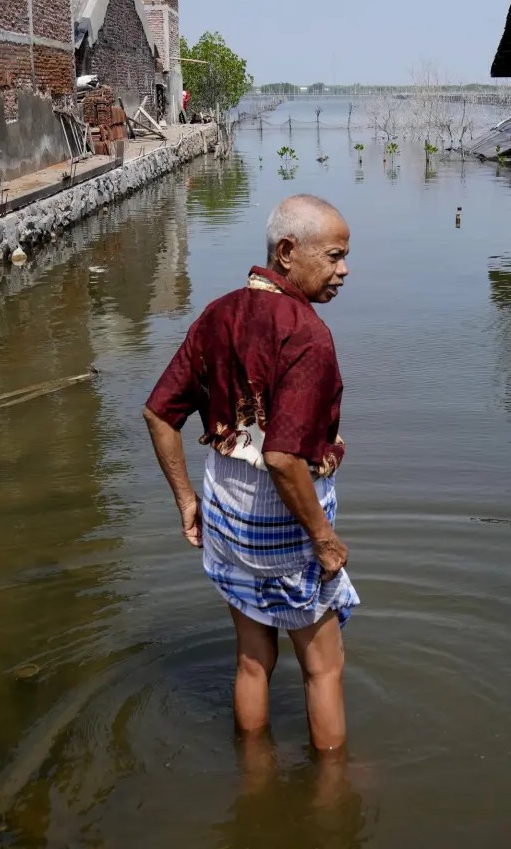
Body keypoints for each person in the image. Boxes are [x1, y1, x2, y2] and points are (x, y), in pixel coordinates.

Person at [143, 194, 356, 752]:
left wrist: (186, 500)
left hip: (226, 512)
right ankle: (334, 798)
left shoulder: (220, 313)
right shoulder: (306, 334)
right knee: (324, 667)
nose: (344, 270)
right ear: (287, 252)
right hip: (283, 522)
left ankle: (255, 784)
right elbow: (284, 459)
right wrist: (325, 541)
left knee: (253, 659)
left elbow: (158, 413)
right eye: (333, 257)